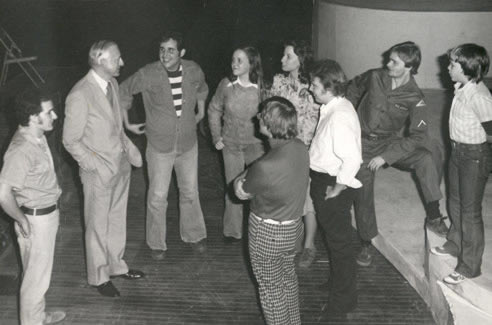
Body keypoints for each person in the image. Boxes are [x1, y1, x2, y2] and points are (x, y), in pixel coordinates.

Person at [346, 41, 446, 267]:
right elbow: (352, 87)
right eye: (389, 59)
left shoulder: (415, 97)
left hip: (388, 143)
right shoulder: (374, 76)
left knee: (426, 157)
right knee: (363, 191)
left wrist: (387, 156)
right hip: (360, 143)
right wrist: (347, 115)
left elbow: (418, 135)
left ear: (409, 67)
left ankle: (434, 215)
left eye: (394, 61)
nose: (387, 63)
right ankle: (365, 242)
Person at [63, 40, 144, 297]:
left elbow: (116, 127)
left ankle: (116, 266)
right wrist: (95, 166)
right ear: (99, 60)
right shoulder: (79, 94)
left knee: (117, 220)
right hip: (98, 172)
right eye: (117, 58)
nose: (122, 63)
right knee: (97, 226)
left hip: (120, 165)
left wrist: (127, 150)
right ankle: (99, 277)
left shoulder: (112, 84)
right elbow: (69, 140)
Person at [119, 31, 208, 260]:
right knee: (158, 196)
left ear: (182, 53)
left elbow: (202, 87)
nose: (165, 54)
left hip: (188, 144)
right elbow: (124, 90)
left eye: (171, 50)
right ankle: (156, 242)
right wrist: (127, 122)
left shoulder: (192, 69)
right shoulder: (148, 73)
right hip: (159, 146)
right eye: (162, 49)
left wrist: (201, 110)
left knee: (190, 191)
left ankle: (194, 235)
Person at [234, 97, 309, 325]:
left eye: (262, 116)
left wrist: (242, 176)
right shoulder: (300, 147)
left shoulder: (264, 167)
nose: (258, 119)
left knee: (270, 291)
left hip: (266, 235)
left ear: (268, 126)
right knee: (288, 280)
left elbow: (241, 192)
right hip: (294, 230)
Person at [0, 88, 65, 324]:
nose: (55, 116)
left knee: (37, 276)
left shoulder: (38, 136)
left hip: (45, 215)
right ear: (32, 117)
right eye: (49, 113)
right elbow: (3, 194)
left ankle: (38, 316)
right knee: (35, 281)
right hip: (36, 220)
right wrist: (22, 219)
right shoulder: (20, 150)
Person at [431, 44, 492, 284]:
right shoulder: (462, 88)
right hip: (457, 151)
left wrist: (483, 158)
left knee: (470, 212)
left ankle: (469, 265)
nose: (447, 67)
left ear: (467, 67)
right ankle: (455, 243)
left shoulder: (479, 96)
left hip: (474, 156)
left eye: (452, 64)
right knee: (454, 201)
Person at [309, 60, 361, 314]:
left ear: (329, 86)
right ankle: (338, 285)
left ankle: (341, 303)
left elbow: (352, 159)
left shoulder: (339, 115)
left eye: (316, 85)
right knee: (336, 241)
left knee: (340, 245)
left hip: (332, 185)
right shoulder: (334, 106)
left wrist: (337, 189)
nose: (311, 89)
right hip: (326, 181)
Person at [267, 40, 319, 268]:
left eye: (288, 56)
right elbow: (271, 113)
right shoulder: (278, 82)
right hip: (280, 147)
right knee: (284, 196)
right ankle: (290, 242)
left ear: (301, 59)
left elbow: (314, 122)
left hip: (304, 150)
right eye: (283, 55)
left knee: (307, 200)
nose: (282, 60)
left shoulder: (313, 87)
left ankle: (309, 246)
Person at [208, 46, 264, 242]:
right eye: (233, 59)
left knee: (258, 189)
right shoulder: (226, 85)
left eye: (240, 60)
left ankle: (259, 232)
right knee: (234, 188)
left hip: (256, 146)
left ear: (252, 64)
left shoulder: (262, 87)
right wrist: (216, 136)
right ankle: (232, 232)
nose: (234, 64)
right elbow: (214, 109)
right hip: (231, 145)